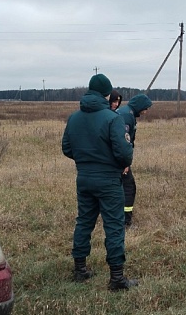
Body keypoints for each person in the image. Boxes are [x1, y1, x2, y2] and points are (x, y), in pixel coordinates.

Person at [62, 73, 137, 291]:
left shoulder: (74, 118)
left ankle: (80, 269)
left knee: (84, 221)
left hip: (83, 178)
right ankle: (116, 278)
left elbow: (67, 148)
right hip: (108, 181)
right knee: (114, 225)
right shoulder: (113, 118)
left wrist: (86, 160)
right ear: (107, 94)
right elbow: (124, 154)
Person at [116, 93, 153, 228]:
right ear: (140, 106)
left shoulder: (127, 113)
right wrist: (124, 163)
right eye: (146, 108)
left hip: (116, 158)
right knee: (129, 188)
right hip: (119, 159)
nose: (146, 111)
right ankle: (125, 222)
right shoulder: (127, 116)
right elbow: (122, 140)